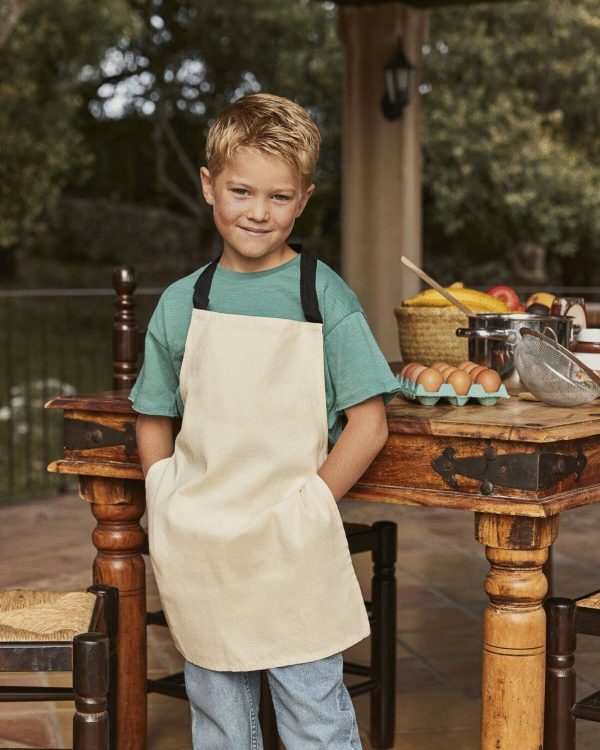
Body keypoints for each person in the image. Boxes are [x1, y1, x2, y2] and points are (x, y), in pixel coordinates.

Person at [130, 93, 401, 750]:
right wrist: (163, 495)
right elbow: (153, 412)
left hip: (290, 547)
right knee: (220, 721)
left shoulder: (322, 295)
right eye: (241, 190)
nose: (258, 212)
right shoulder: (180, 304)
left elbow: (370, 423)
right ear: (209, 186)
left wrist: (309, 503)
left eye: (279, 198)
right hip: (205, 549)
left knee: (315, 716)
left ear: (303, 200)